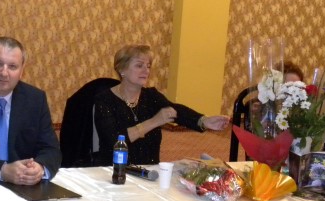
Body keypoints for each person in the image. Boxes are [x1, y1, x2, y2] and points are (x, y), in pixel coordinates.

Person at [94, 44, 229, 165]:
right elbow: (114, 140)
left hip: (149, 170)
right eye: (139, 65)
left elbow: (176, 111)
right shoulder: (105, 100)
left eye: (148, 66)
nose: (146, 71)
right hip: (114, 169)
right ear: (121, 69)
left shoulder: (151, 95)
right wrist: (154, 121)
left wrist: (204, 121)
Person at [0, 37, 61, 184]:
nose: (4, 73)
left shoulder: (35, 99)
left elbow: (51, 149)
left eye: (12, 66)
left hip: (25, 187)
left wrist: (39, 168)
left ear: (21, 71)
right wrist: (1, 171)